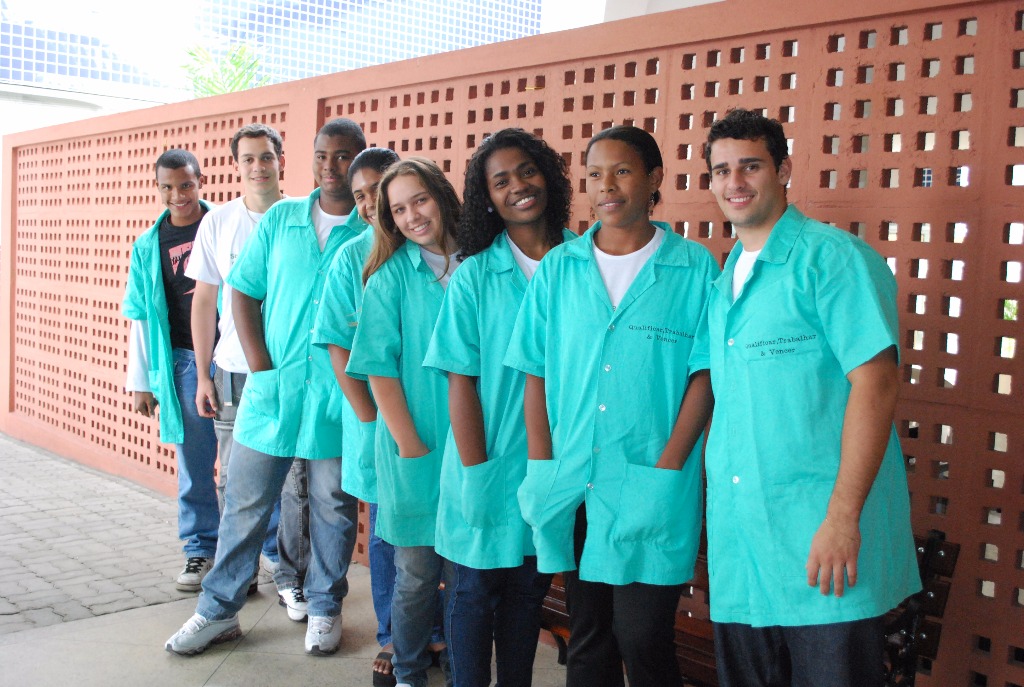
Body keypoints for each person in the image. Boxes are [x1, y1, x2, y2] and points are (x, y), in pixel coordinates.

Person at [693, 108, 920, 686]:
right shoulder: (725, 282)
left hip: (824, 544)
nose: (734, 182)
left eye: (750, 166)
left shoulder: (833, 259)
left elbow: (877, 382)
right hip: (744, 549)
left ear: (784, 170)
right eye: (721, 170)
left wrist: (842, 518)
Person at [504, 125, 718, 687]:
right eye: (595, 174)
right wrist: (543, 463)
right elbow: (534, 372)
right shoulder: (559, 268)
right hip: (574, 481)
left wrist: (670, 464)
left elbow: (704, 375)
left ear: (654, 179)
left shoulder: (694, 268)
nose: (607, 186)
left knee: (643, 637)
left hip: (651, 480)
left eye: (622, 172)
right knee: (590, 637)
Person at [164, 118, 367, 657]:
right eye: (322, 154)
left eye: (343, 155)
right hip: (271, 393)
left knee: (332, 506)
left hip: (337, 397)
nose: (330, 166)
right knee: (245, 503)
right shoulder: (282, 219)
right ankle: (217, 611)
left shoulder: (371, 231)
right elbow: (244, 292)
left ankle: (324, 607)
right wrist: (263, 366)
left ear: (359, 158)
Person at [422, 128, 573, 687]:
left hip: (556, 467)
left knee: (527, 598)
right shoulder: (475, 277)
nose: (518, 187)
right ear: (486, 197)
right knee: (470, 595)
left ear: (549, 177)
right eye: (501, 181)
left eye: (527, 171)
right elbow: (459, 382)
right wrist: (477, 473)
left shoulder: (584, 262)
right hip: (485, 463)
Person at [314, 146, 433, 686]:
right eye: (359, 196)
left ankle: (431, 632)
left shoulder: (433, 252)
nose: (368, 205)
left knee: (429, 538)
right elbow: (337, 343)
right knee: (390, 532)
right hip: (379, 423)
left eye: (375, 191)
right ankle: (392, 635)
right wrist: (369, 420)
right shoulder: (353, 257)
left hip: (430, 419)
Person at [347, 157, 461, 687]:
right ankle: (410, 672)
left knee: (466, 576)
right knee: (416, 575)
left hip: (475, 447)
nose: (412, 216)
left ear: (442, 196)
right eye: (398, 209)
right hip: (413, 447)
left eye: (420, 200)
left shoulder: (481, 264)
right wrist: (410, 444)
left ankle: (461, 670)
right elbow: (378, 369)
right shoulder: (390, 277)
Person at [185, 123, 296, 598]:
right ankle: (240, 575)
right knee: (234, 480)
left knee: (293, 484)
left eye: (266, 157)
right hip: (233, 370)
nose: (258, 166)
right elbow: (204, 302)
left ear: (280, 161)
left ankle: (289, 574)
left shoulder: (300, 217)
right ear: (236, 166)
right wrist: (203, 374)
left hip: (289, 370)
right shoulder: (218, 222)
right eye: (248, 158)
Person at [123, 149, 219, 592]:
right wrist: (141, 382)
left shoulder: (221, 225)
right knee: (194, 464)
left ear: (201, 181)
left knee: (251, 464)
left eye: (185, 184)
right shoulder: (148, 245)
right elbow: (142, 315)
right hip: (182, 363)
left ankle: (270, 555)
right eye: (167, 187)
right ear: (157, 188)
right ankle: (200, 548)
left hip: (231, 359)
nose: (177, 195)